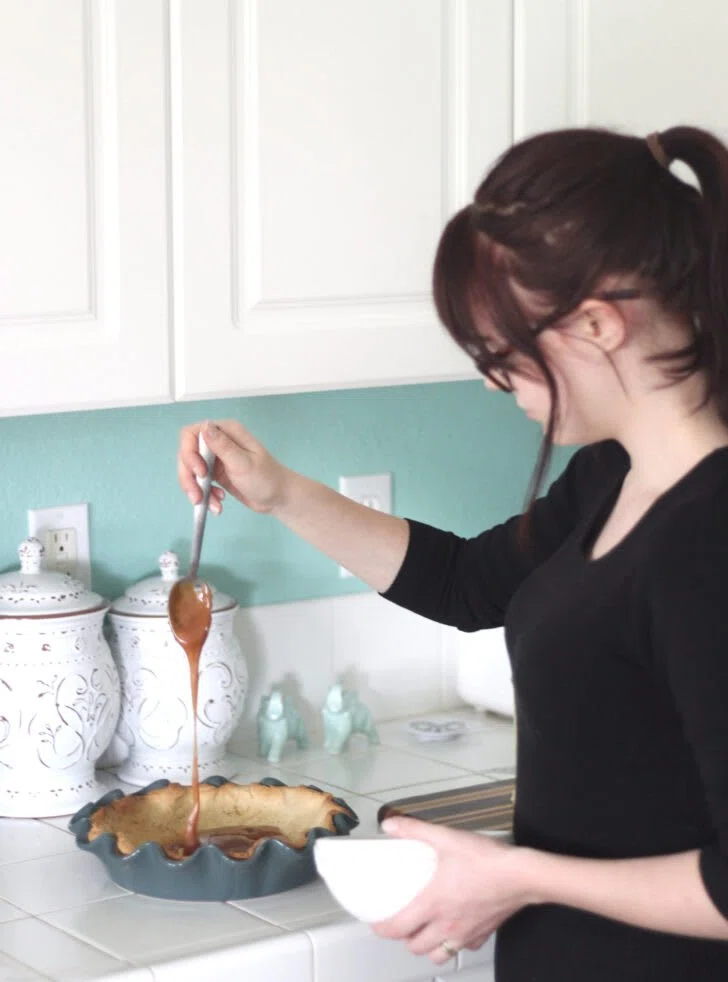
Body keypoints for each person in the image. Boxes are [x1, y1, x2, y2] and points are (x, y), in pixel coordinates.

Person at [177, 125, 728, 980]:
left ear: (596, 324)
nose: (490, 382)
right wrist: (279, 490)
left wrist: (514, 877)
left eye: (501, 353)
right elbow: (469, 584)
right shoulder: (614, 474)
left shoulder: (708, 535)